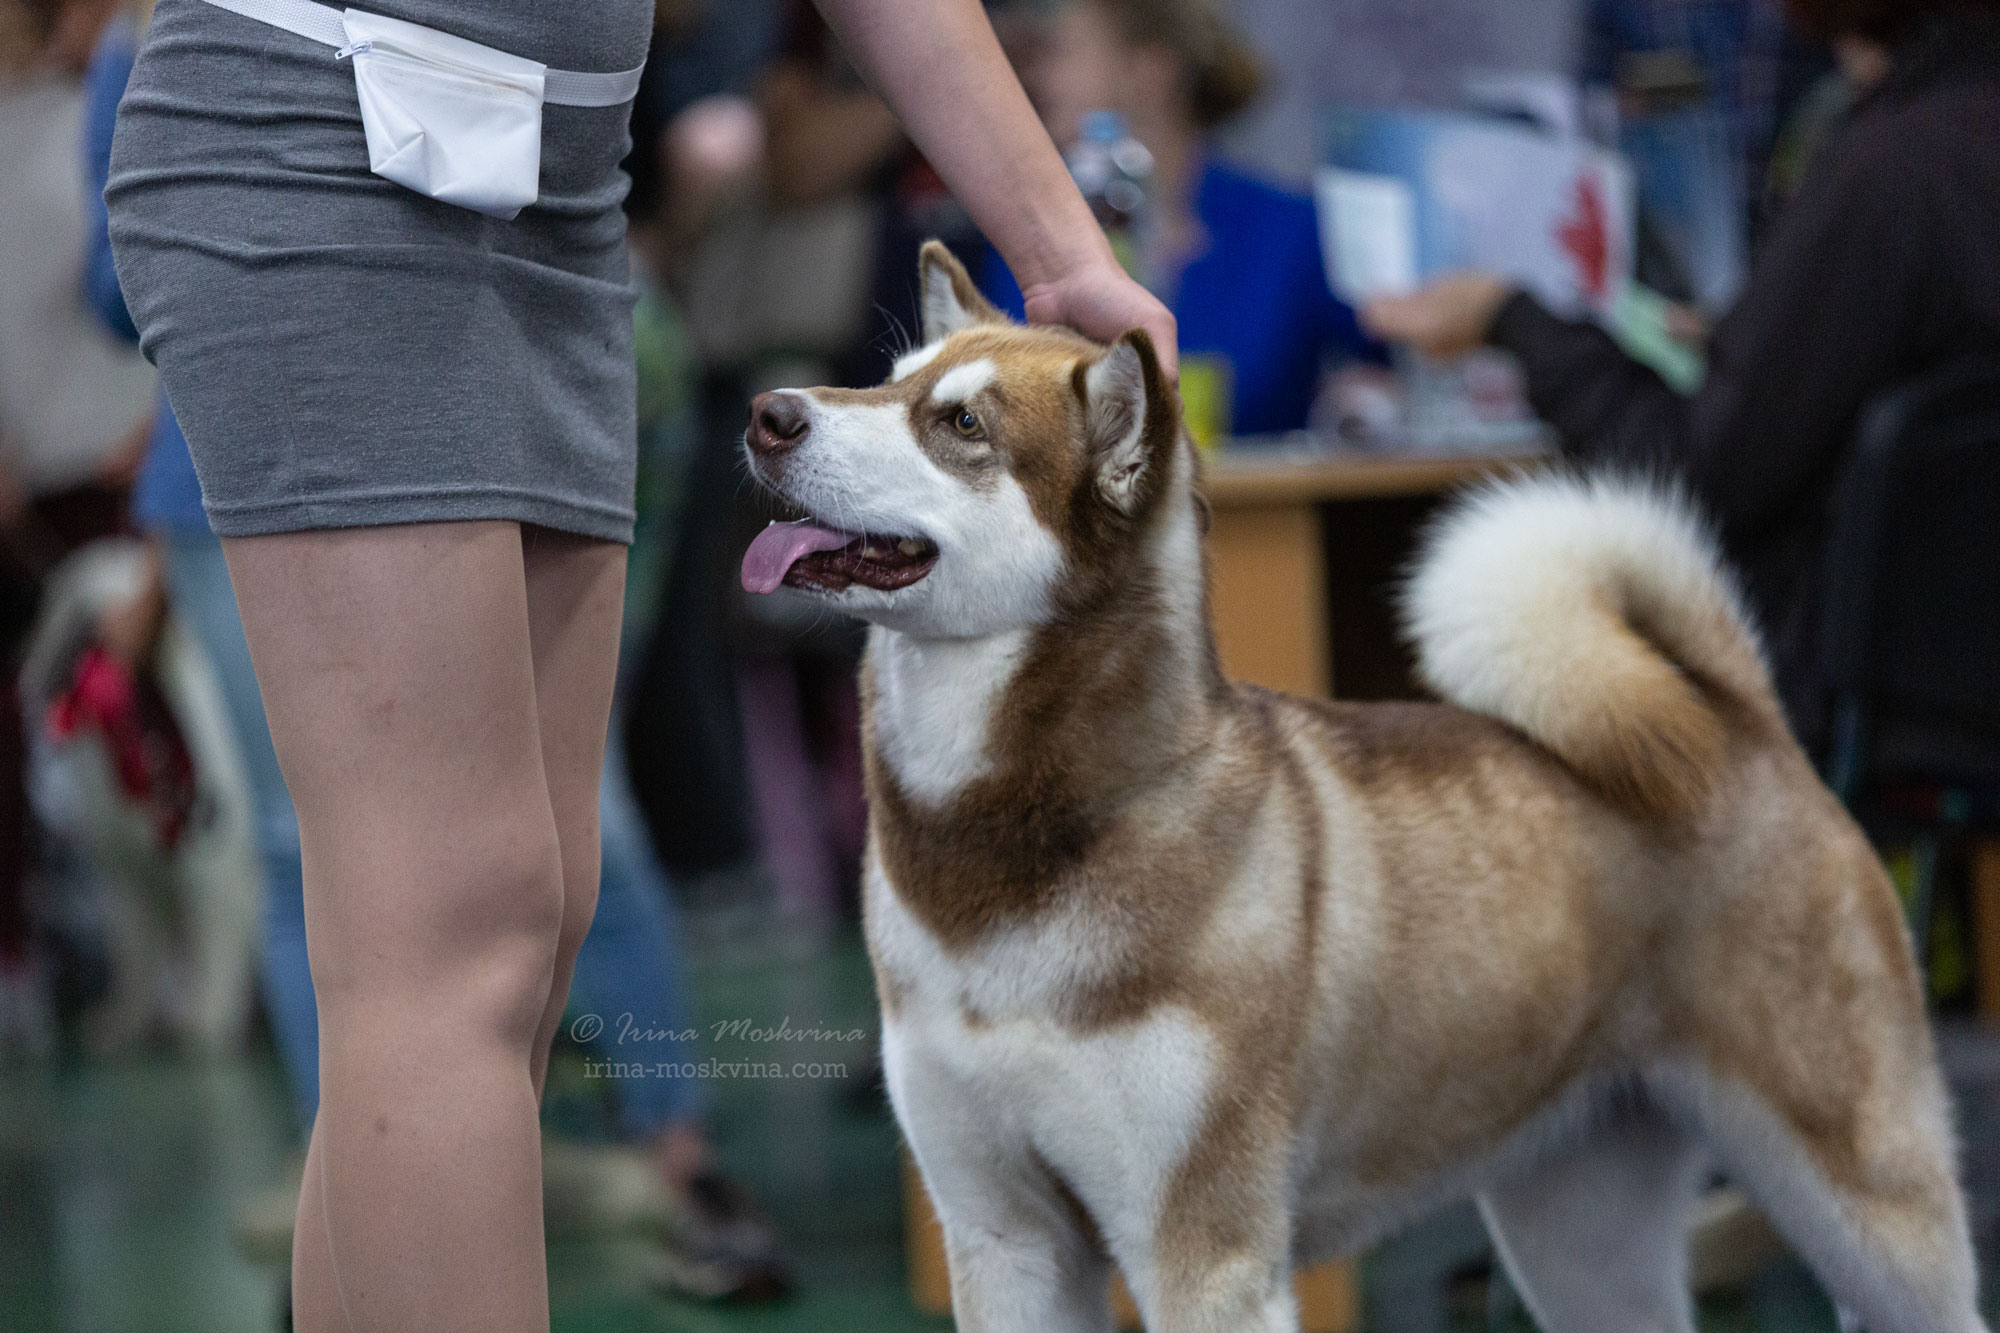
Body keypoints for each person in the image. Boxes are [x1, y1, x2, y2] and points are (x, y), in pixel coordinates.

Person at [101, 3, 1173, 1332]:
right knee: (456, 944)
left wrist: (1062, 248)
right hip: (334, 135)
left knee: (511, 946)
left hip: (559, 191)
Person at [1362, 0, 2000, 749]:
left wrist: (1511, 320)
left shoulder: (1896, 170)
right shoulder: (1948, 144)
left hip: (1864, 715)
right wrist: (1756, 335)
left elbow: (1687, 480)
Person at [981, 0, 1378, 437]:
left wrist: (1356, 406)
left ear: (1151, 70)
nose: (1036, 79)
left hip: (1262, 503)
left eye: (1058, 53)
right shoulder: (1023, 240)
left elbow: (1393, 371)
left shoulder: (1289, 231)